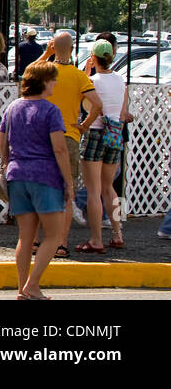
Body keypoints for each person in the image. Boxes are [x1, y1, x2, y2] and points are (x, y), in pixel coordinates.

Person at [0, 60, 73, 299]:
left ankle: (22, 289)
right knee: (54, 235)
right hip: (45, 176)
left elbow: (3, 144)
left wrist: (9, 163)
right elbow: (60, 150)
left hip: (17, 174)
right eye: (53, 80)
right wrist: (69, 183)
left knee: (25, 237)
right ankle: (32, 285)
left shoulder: (12, 108)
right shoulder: (51, 111)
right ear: (43, 82)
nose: (55, 84)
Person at [40, 31, 100, 257]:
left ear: (53, 46)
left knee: (40, 189)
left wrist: (46, 54)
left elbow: (27, 74)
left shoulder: (43, 72)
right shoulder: (78, 76)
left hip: (42, 136)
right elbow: (97, 104)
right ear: (73, 49)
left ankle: (38, 241)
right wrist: (83, 125)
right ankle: (61, 243)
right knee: (66, 191)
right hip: (69, 137)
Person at [75, 40, 131, 254]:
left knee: (94, 190)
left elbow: (86, 103)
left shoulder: (92, 80)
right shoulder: (120, 80)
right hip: (114, 133)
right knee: (110, 188)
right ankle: (117, 233)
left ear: (94, 57)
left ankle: (96, 239)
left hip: (96, 133)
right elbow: (123, 111)